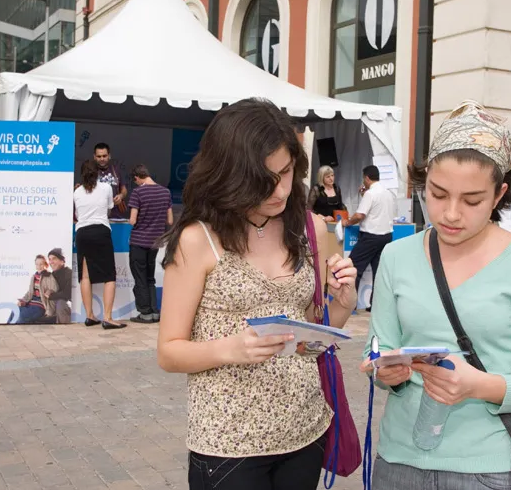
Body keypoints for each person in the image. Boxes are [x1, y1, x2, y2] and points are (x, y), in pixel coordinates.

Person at [359, 100, 511, 490]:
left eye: (472, 200)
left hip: (488, 468)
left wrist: (477, 385)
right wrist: (386, 372)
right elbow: (379, 346)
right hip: (398, 461)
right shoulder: (396, 256)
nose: (451, 213)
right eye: (437, 194)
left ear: (499, 194)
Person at [156, 98, 358, 490]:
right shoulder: (198, 240)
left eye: (287, 172)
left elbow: (311, 341)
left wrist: (343, 304)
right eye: (263, 180)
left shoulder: (310, 228)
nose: (281, 189)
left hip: (304, 429)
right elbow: (169, 351)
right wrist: (231, 348)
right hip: (229, 443)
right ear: (229, 176)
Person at [74, 159, 126, 330]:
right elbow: (110, 207)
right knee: (109, 275)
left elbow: (76, 214)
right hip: (100, 231)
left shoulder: (77, 192)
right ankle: (108, 317)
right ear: (96, 172)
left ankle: (89, 316)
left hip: (81, 233)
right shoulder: (105, 188)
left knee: (85, 276)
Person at [342, 165, 395, 311]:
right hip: (386, 236)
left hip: (371, 236)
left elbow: (360, 215)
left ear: (366, 177)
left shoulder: (371, 194)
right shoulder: (387, 193)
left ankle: (350, 305)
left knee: (354, 268)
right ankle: (374, 306)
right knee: (379, 272)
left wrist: (347, 222)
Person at [128, 164, 173, 324]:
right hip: (155, 242)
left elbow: (133, 220)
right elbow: (170, 220)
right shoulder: (165, 192)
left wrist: (134, 219)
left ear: (137, 178)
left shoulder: (138, 192)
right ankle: (154, 311)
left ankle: (145, 312)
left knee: (139, 277)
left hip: (139, 241)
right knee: (150, 277)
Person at [17, 255, 59, 324]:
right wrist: (23, 301)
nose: (39, 266)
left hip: (40, 306)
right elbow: (30, 292)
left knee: (22, 316)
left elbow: (55, 289)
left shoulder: (49, 276)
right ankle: (6, 330)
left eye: (41, 264)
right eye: (37, 264)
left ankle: (15, 330)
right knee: (15, 310)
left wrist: (50, 291)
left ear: (45, 265)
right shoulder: (34, 277)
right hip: (30, 303)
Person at [94, 142, 128, 219]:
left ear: (109, 156)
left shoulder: (116, 170)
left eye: (104, 156)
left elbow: (124, 189)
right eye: (99, 156)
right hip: (96, 216)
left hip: (115, 216)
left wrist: (121, 196)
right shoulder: (90, 171)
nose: (102, 159)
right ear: (94, 157)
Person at [45, 248, 74, 324]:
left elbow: (67, 294)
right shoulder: (50, 276)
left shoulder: (69, 273)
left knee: (61, 303)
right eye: (49, 259)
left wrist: (51, 295)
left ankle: (65, 330)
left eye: (54, 258)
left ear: (62, 261)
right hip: (53, 307)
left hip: (68, 306)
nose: (51, 262)